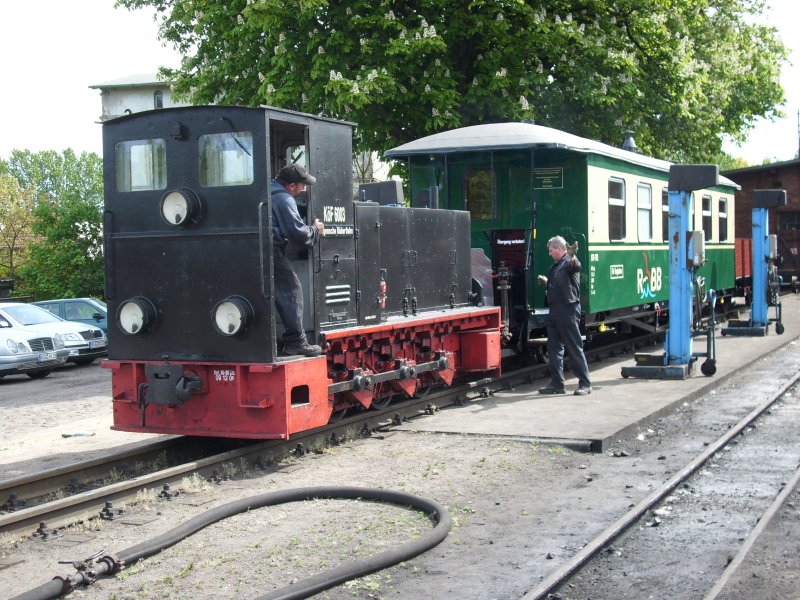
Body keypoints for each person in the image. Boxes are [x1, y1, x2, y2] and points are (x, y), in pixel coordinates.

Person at [271, 163, 325, 357]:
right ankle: (296, 341)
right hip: (272, 250)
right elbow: (297, 234)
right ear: (291, 186)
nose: (303, 189)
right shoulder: (284, 199)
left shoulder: (268, 191)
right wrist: (315, 230)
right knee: (291, 291)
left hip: (255, 249)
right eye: (302, 185)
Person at [537, 235, 592, 395]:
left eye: (551, 250)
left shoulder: (567, 262)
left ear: (560, 249)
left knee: (573, 347)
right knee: (554, 349)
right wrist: (548, 283)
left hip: (567, 310)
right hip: (554, 310)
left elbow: (575, 266)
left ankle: (585, 383)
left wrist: (572, 255)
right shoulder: (555, 266)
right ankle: (557, 384)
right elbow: (561, 285)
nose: (549, 253)